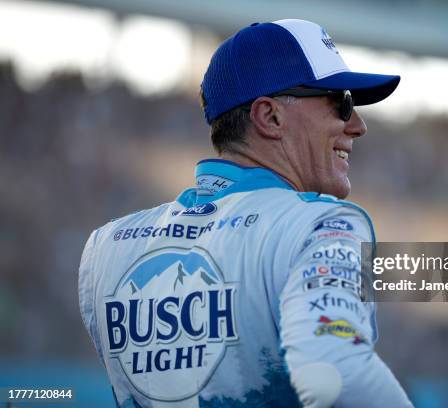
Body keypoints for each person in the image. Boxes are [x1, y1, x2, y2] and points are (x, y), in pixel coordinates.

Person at [79, 18, 412, 407]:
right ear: (269, 117)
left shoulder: (106, 247)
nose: (358, 125)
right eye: (342, 102)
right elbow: (334, 378)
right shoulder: (323, 225)